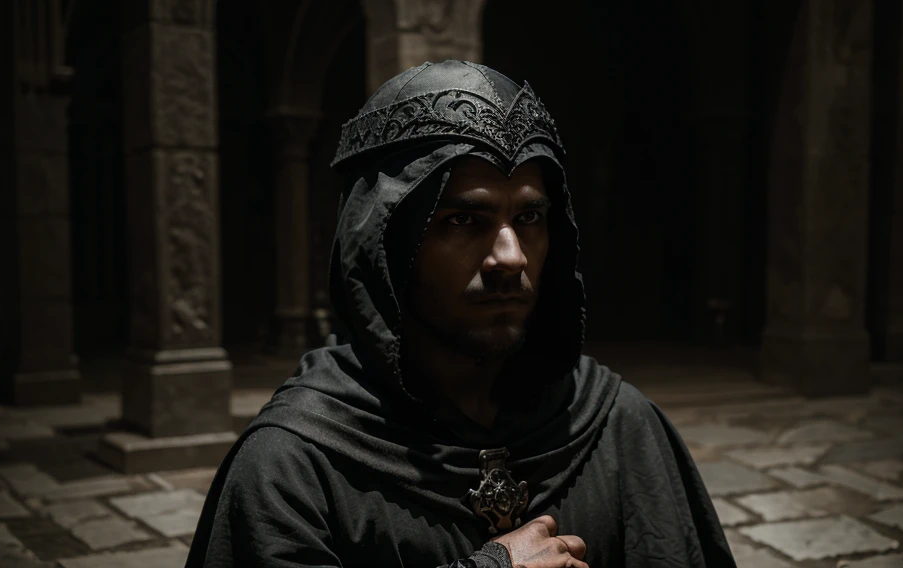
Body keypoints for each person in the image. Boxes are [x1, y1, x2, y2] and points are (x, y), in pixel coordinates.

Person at [186, 60, 735, 568]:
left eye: (529, 216)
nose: (510, 255)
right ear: (387, 247)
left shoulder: (619, 426)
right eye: (462, 221)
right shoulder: (292, 466)